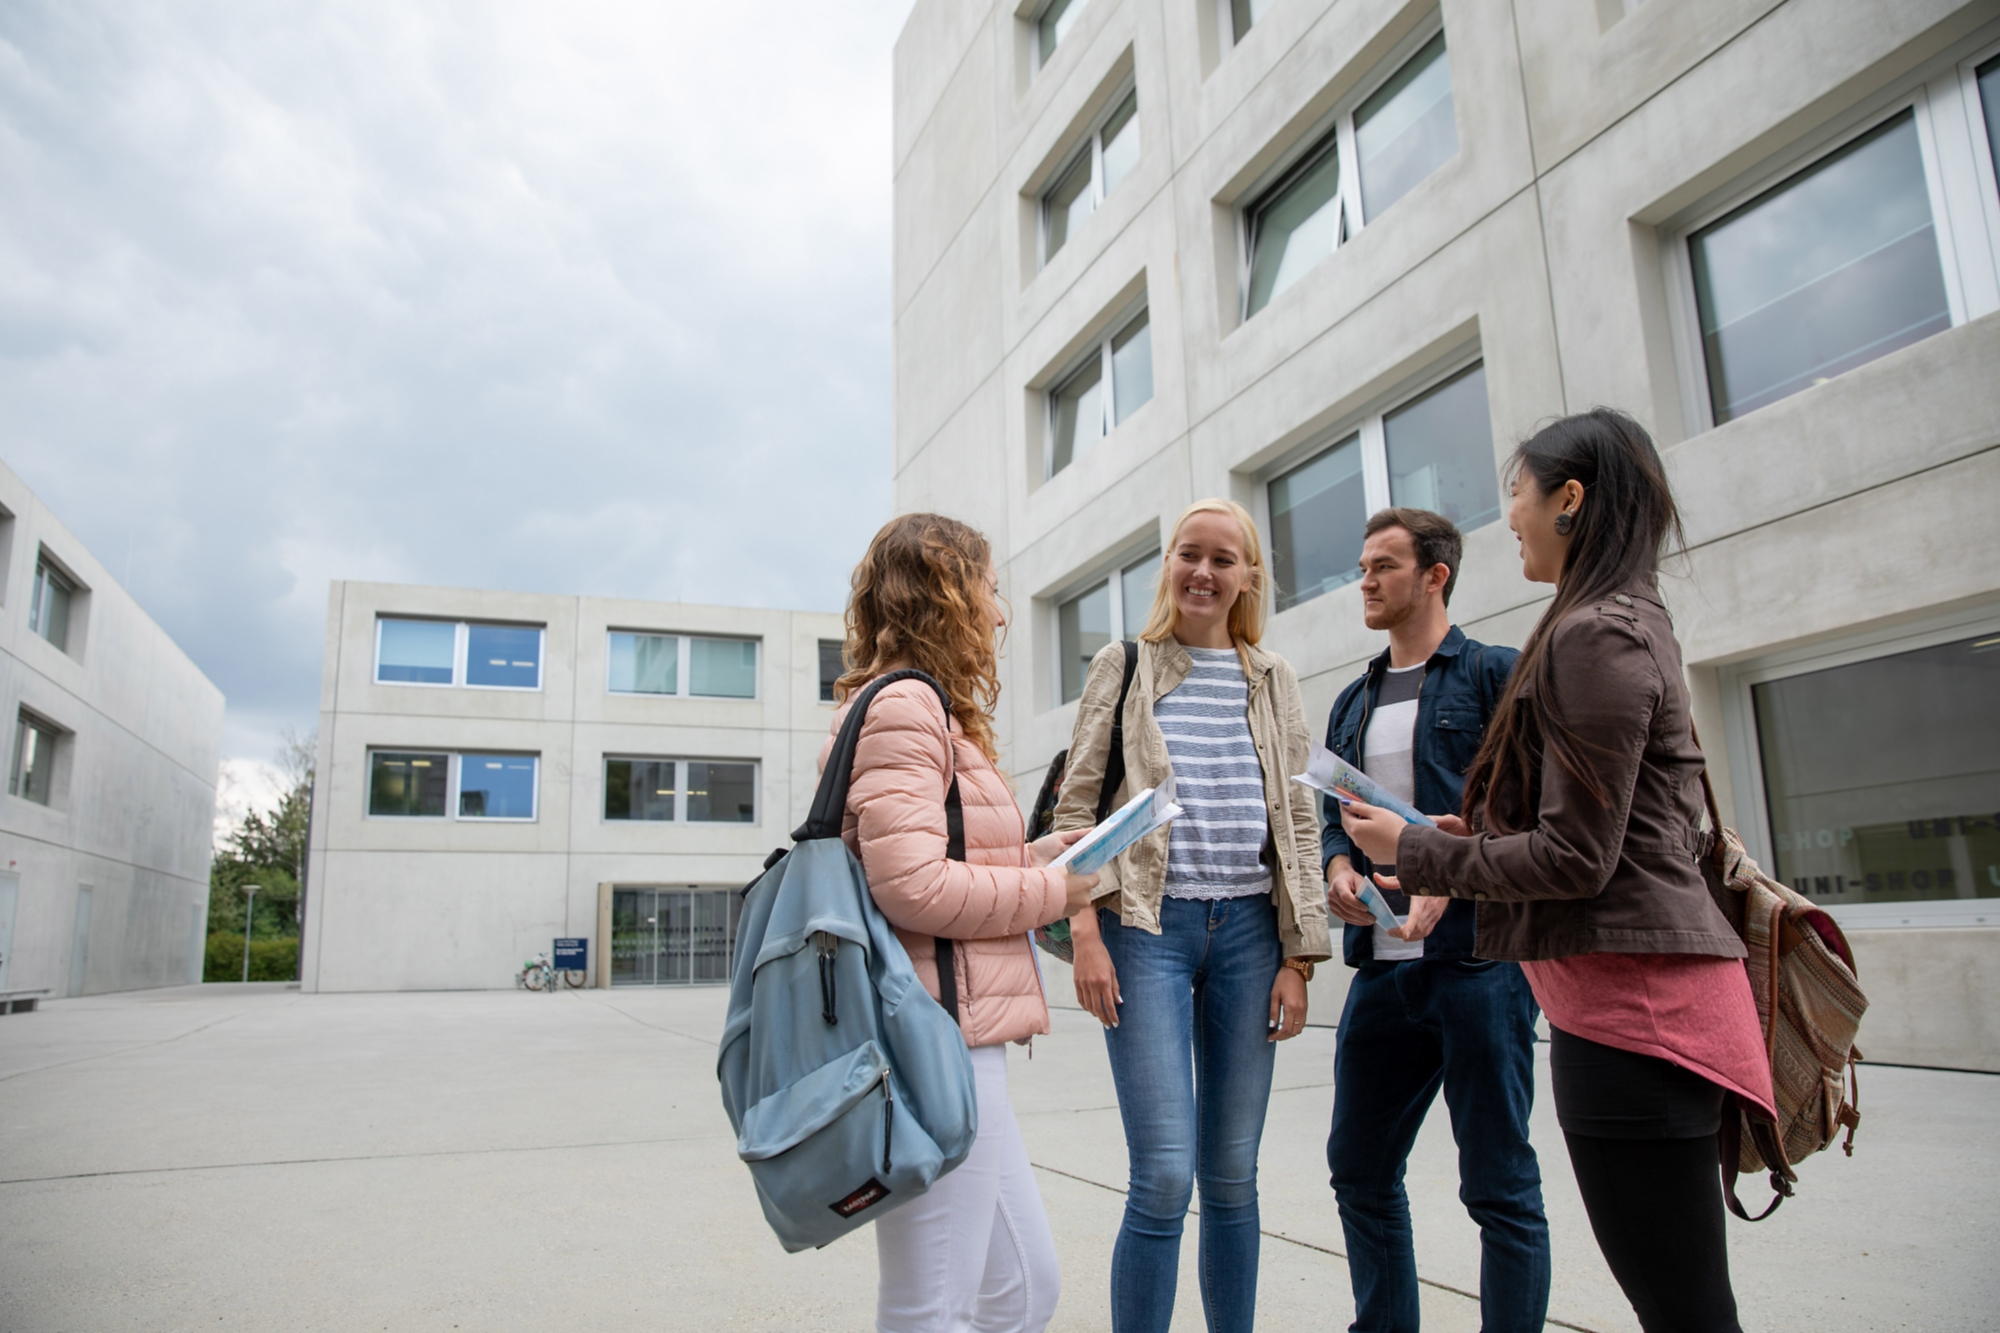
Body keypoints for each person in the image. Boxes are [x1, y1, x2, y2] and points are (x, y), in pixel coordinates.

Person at [1338, 409, 1775, 1333]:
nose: (1512, 518)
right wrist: (1472, 833)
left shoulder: (1592, 634)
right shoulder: (1617, 617)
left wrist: (1417, 851)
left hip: (1637, 1021)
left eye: (1519, 494)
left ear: (1569, 499)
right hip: (1621, 1008)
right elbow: (1585, 822)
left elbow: (1578, 855)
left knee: (1684, 1308)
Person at [1052, 498, 1332, 1333]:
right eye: (1188, 554)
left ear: (1248, 574)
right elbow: (1077, 810)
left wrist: (1300, 955)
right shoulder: (1126, 664)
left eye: (1223, 558)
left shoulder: (1271, 676)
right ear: (1168, 564)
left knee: (1234, 1175)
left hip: (1250, 934)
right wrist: (1086, 936)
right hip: (1146, 933)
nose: (1204, 571)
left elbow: (1299, 819)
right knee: (1166, 1173)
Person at [825, 512, 1100, 1333]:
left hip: (958, 1028)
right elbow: (912, 885)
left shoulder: (926, 712)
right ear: (945, 595)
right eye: (985, 585)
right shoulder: (907, 707)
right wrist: (1054, 891)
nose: (999, 610)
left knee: (1021, 1288)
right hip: (932, 1035)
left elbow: (949, 854)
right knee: (932, 1305)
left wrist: (1048, 850)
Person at [1319, 508, 1549, 1333]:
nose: (1366, 581)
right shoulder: (1353, 697)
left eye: (1383, 565)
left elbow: (1532, 817)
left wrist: (1446, 863)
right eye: (1363, 565)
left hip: (1479, 966)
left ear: (1435, 574)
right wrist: (1341, 870)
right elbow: (1333, 821)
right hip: (1381, 970)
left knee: (1498, 1183)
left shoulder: (1496, 674)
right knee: (1359, 1168)